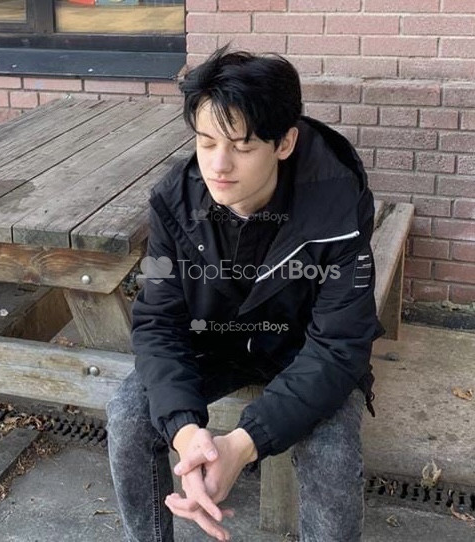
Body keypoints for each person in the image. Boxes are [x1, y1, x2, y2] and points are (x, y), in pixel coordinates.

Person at [106, 46, 384, 542]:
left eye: (242, 146)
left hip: (304, 350)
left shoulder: (337, 207)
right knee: (128, 412)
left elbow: (340, 345)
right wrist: (186, 432)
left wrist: (244, 442)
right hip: (215, 343)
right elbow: (158, 321)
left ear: (284, 142)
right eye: (206, 142)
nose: (219, 164)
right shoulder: (174, 200)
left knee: (333, 452)